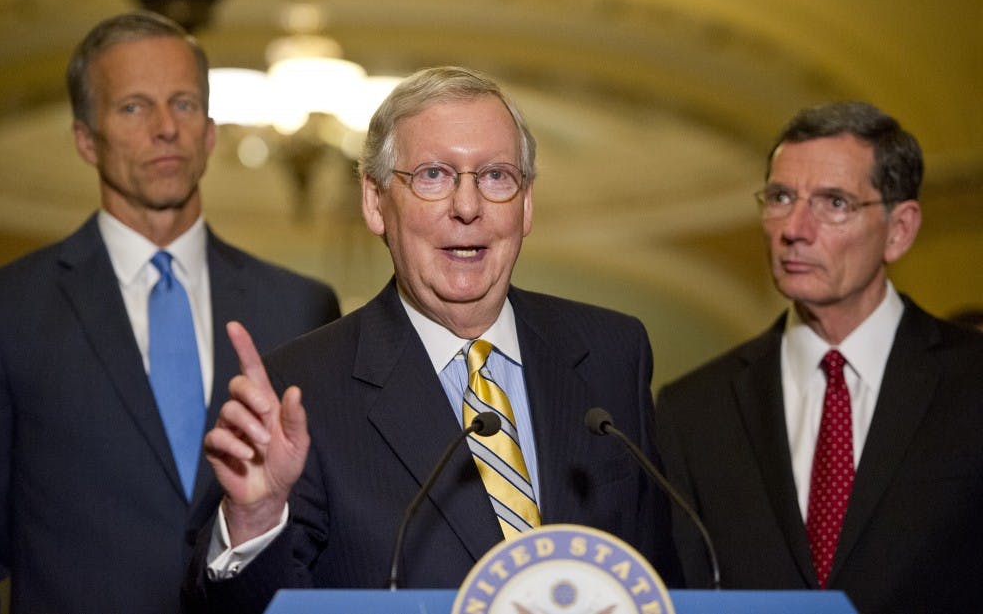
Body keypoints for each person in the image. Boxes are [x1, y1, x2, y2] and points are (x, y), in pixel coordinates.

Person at [180, 66, 680, 612]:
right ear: (375, 203)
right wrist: (255, 522)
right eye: (435, 175)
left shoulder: (612, 352)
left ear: (526, 204)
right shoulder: (301, 390)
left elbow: (659, 578)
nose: (468, 208)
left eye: (495, 177)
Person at [0, 11, 341, 614]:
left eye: (183, 104)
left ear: (209, 131)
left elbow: (325, 537)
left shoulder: (300, 306)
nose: (165, 128)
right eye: (133, 107)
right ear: (84, 139)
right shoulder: (4, 311)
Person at [655, 101, 983, 613]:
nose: (795, 228)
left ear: (900, 230)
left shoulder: (971, 379)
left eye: (834, 203)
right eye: (781, 197)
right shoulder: (694, 410)